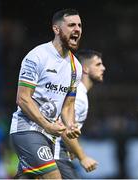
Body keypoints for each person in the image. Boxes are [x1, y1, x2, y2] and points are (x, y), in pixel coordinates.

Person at [9, 8, 83, 179]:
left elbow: (68, 106)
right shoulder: (37, 56)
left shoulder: (76, 67)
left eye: (79, 25)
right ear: (56, 29)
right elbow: (22, 98)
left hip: (49, 137)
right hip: (27, 130)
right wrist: (47, 125)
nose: (77, 29)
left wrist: (71, 125)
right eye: (71, 25)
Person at [54, 49, 106, 179]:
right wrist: (83, 157)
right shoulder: (79, 96)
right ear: (85, 69)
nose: (103, 68)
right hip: (56, 155)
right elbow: (63, 129)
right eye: (98, 64)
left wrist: (72, 149)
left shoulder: (77, 92)